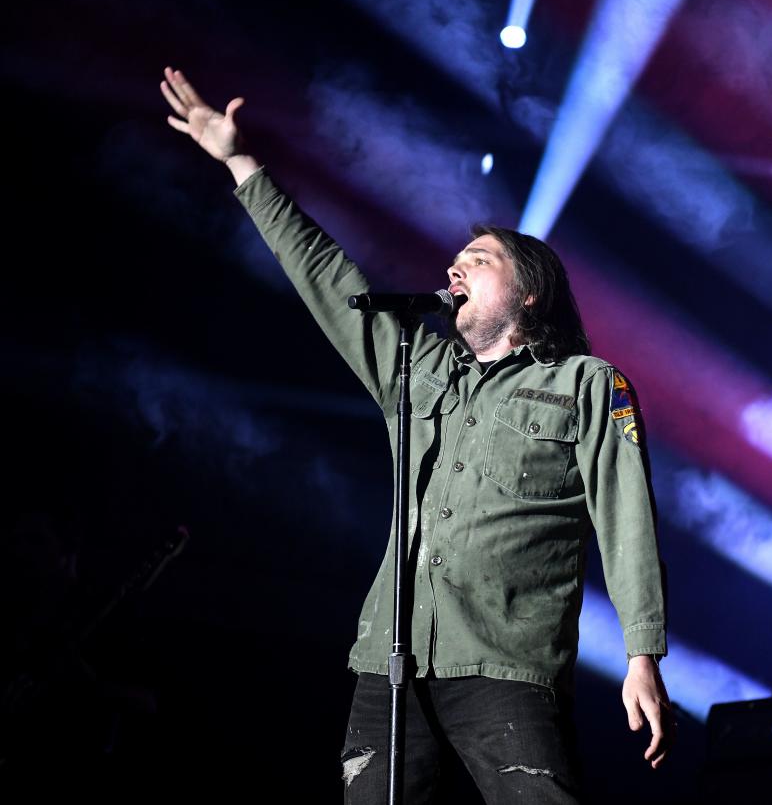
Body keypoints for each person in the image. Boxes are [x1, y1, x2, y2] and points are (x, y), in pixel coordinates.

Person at [160, 66, 671, 803]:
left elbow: (629, 524)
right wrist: (242, 164)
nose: (454, 267)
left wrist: (642, 653)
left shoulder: (586, 385)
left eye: (479, 260)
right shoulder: (420, 368)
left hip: (506, 664)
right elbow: (327, 277)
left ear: (528, 291)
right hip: (391, 665)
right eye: (456, 261)